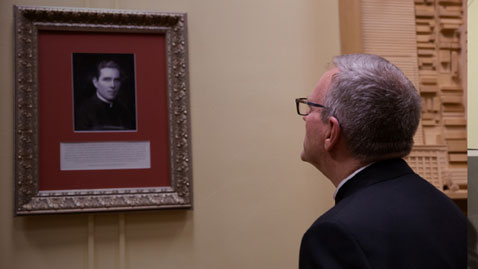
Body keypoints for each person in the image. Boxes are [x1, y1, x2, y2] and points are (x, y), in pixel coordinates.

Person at [296, 54, 466, 268]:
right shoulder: (450, 212)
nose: (304, 117)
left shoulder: (334, 236)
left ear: (331, 132)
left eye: (311, 107)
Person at [75, 60, 135, 131]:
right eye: (107, 79)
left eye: (116, 80)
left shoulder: (124, 111)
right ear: (95, 82)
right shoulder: (84, 111)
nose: (113, 85)